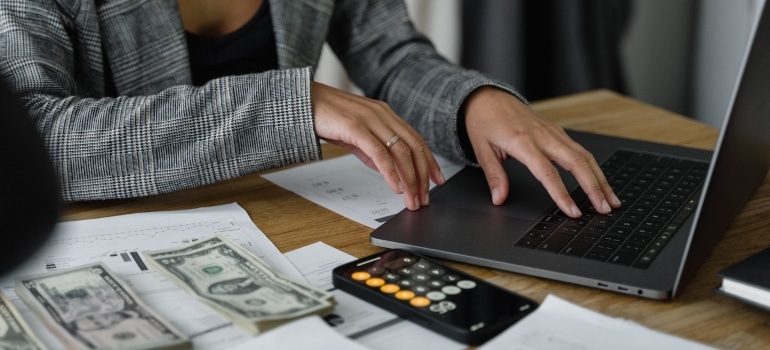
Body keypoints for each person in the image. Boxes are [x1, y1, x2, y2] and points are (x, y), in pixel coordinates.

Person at [0, 0, 619, 218]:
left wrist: (475, 103)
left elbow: (392, 55)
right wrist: (286, 105)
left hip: (286, 228)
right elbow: (37, 140)